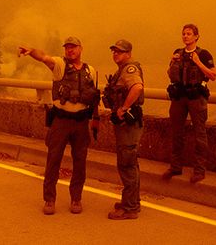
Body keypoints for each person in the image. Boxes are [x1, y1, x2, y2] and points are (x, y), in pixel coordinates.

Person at [18, 37, 101, 215]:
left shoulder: (91, 71)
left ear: (81, 49)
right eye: (67, 48)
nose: (70, 50)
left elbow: (94, 96)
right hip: (61, 121)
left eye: (73, 47)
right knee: (53, 160)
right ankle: (49, 199)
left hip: (81, 122)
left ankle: (76, 198)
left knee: (80, 162)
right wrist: (32, 51)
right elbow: (44, 58)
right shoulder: (59, 66)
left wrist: (96, 119)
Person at [163, 23, 216, 183]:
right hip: (179, 97)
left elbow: (213, 75)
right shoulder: (177, 53)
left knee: (199, 134)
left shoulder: (204, 54)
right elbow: (170, 74)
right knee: (176, 133)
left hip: (196, 98)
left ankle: (199, 170)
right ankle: (175, 167)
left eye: (189, 34)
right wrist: (171, 61)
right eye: (184, 34)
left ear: (196, 36)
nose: (186, 36)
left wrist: (198, 62)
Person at [102, 39, 144, 220]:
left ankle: (129, 208)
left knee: (126, 164)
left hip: (128, 124)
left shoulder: (129, 69)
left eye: (119, 51)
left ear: (128, 53)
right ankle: (133, 201)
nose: (115, 54)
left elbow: (137, 87)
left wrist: (123, 108)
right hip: (126, 124)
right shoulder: (121, 70)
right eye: (114, 51)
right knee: (130, 163)